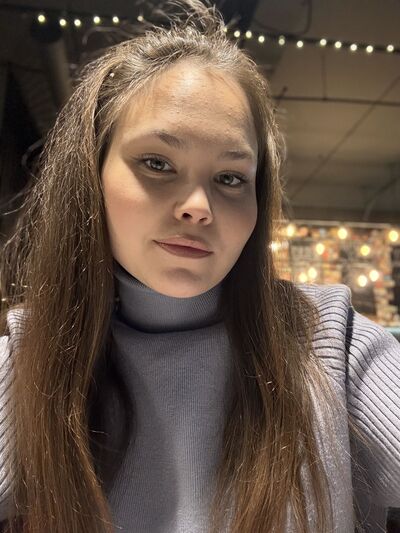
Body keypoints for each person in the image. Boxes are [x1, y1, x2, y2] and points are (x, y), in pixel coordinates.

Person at [0, 0, 399, 532]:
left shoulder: (332, 341)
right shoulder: (26, 361)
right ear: (90, 175)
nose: (198, 206)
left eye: (230, 178)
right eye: (157, 163)